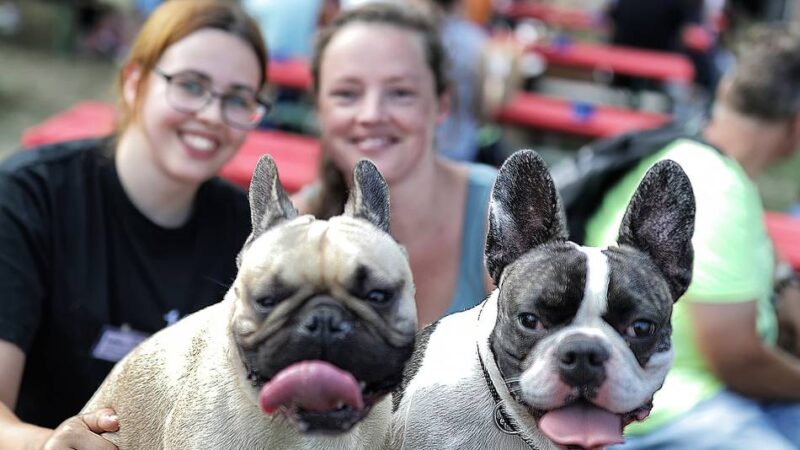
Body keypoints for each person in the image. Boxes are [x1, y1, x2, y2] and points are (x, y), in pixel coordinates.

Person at [0, 0, 269, 448]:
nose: (211, 115)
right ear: (134, 82)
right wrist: (50, 443)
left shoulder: (247, 231)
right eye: (190, 85)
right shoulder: (32, 195)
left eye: (238, 98)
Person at [581, 23, 800, 449]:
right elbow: (737, 359)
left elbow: (775, 282)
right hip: (666, 411)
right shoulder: (720, 192)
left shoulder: (697, 159)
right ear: (795, 127)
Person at [294, 2, 497, 326]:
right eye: (347, 94)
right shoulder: (295, 225)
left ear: (442, 105)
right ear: (318, 109)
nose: (372, 114)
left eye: (401, 93)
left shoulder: (497, 211)